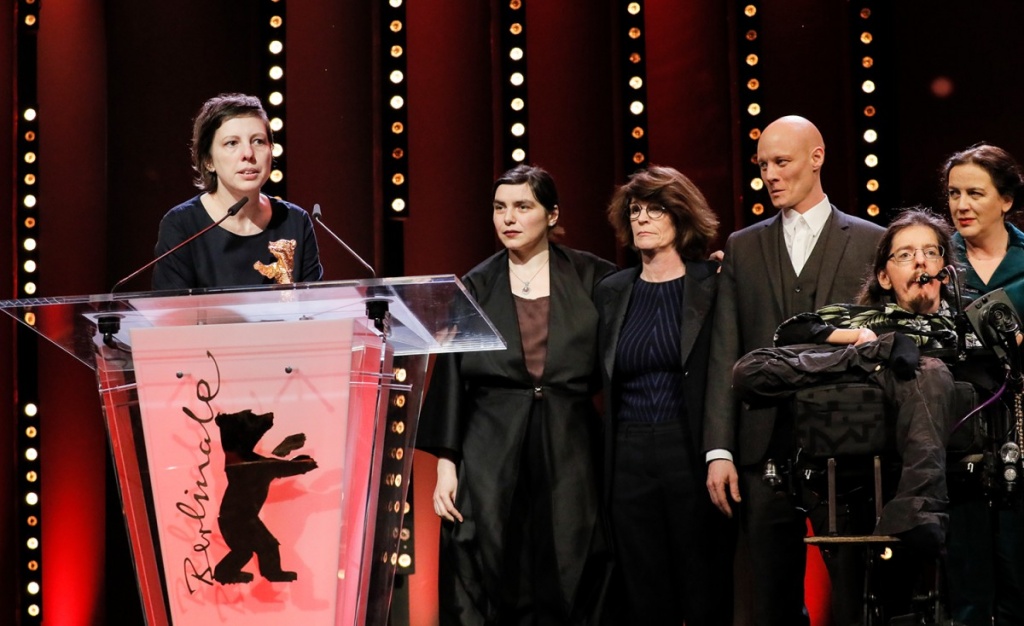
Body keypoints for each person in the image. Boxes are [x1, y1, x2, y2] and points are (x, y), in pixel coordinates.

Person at [703, 115, 885, 626]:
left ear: (816, 157)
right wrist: (719, 450)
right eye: (763, 165)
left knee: (853, 594)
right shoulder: (743, 245)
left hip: (846, 446)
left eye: (781, 162)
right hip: (762, 446)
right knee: (770, 599)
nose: (770, 175)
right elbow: (725, 348)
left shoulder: (871, 240)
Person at [416, 164, 616, 625]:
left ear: (552, 215)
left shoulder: (592, 277)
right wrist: (446, 464)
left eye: (523, 206)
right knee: (494, 561)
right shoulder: (475, 285)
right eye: (500, 208)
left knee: (575, 554)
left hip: (570, 440)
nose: (508, 218)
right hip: (492, 444)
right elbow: (451, 379)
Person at [593, 166, 731, 625]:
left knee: (703, 586)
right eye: (635, 210)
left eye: (656, 210)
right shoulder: (612, 291)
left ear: (680, 216)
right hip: (627, 455)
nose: (642, 219)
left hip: (689, 448)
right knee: (643, 590)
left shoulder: (714, 282)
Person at [942, 142, 1024, 626]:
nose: (962, 205)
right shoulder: (936, 261)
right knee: (967, 582)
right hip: (959, 435)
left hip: (1021, 430)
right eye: (954, 193)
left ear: (1006, 200)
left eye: (975, 193)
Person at [152, 93, 322, 290]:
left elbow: (314, 304)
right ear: (208, 160)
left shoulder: (295, 222)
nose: (248, 154)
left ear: (271, 150)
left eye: (258, 141)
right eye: (232, 143)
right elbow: (171, 307)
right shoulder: (182, 226)